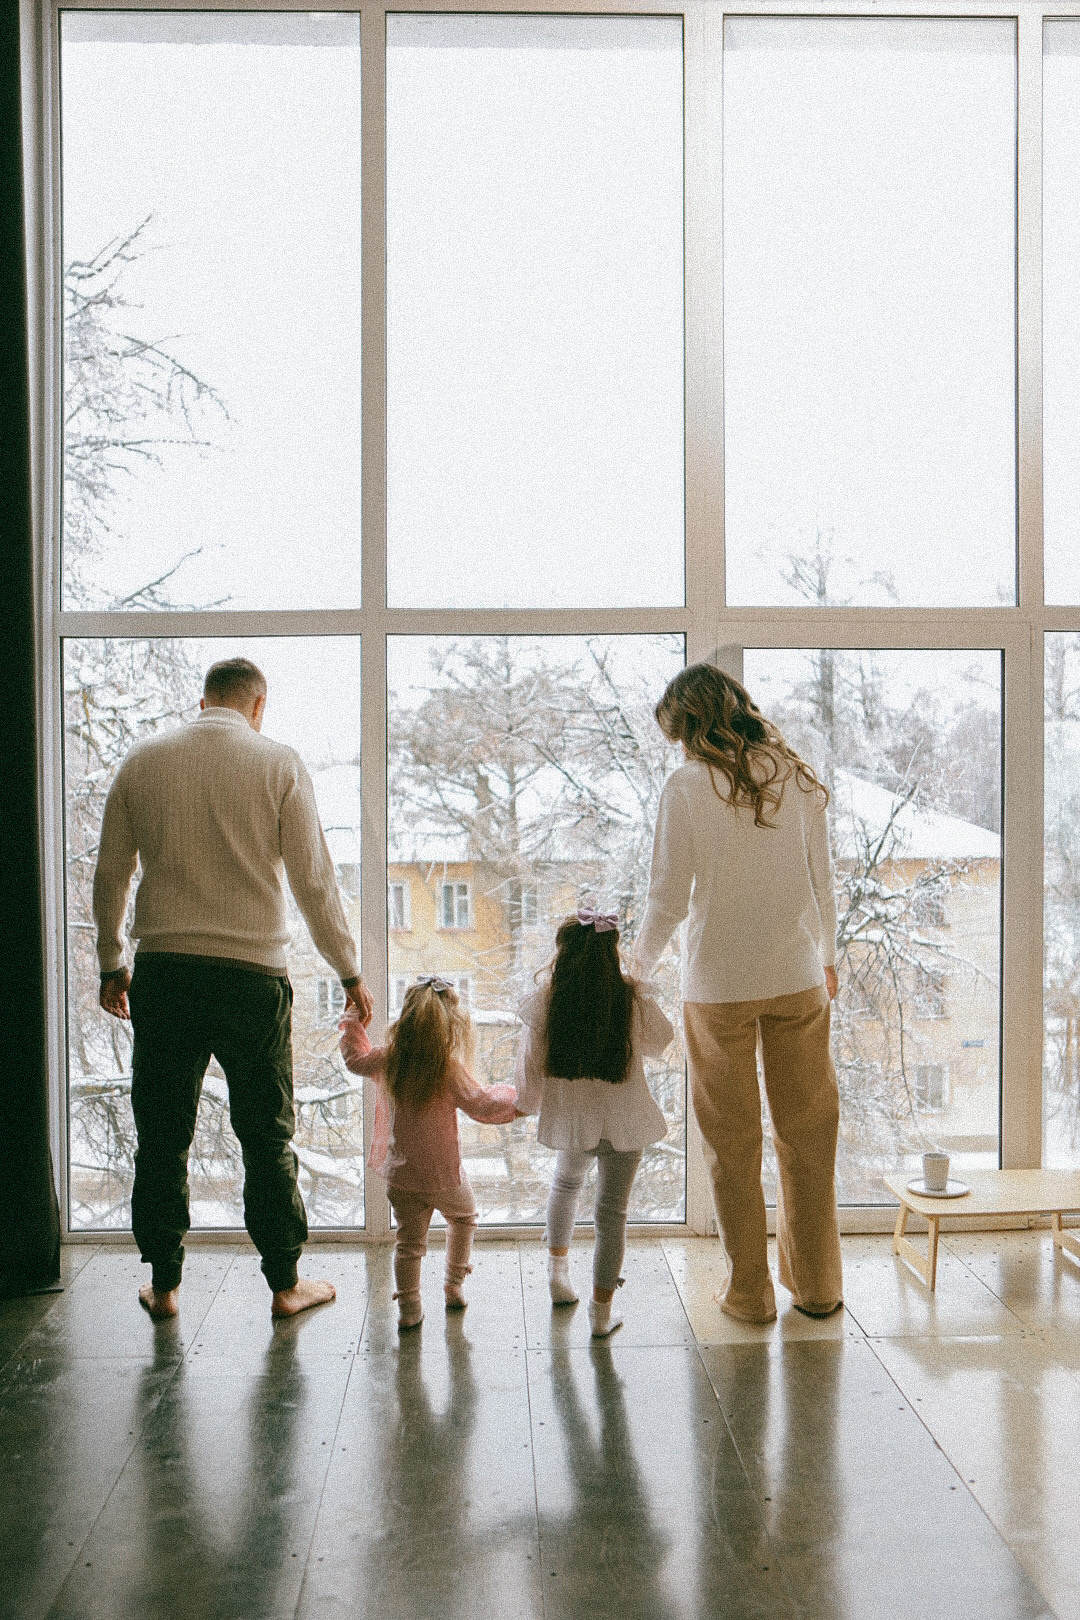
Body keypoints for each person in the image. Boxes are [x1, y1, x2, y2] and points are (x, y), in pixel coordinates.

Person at [93, 657, 374, 1321]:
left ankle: (164, 1286)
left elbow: (112, 874)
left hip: (166, 972)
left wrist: (112, 962)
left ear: (203, 700)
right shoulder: (278, 763)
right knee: (266, 1137)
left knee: (162, 1137)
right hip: (253, 978)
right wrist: (348, 971)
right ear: (258, 705)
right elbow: (313, 881)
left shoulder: (144, 760)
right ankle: (285, 1284)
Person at [632, 662, 843, 1325]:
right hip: (798, 977)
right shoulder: (794, 775)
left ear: (689, 724)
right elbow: (823, 880)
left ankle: (750, 1295)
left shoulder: (686, 787)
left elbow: (666, 896)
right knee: (808, 1139)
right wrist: (828, 956)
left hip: (718, 987)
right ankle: (818, 1289)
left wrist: (636, 967)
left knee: (732, 1145)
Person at [514, 911, 674, 1338]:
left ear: (562, 954)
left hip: (575, 1119)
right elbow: (662, 1040)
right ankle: (601, 1317)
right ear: (612, 951)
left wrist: (527, 1104)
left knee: (565, 1186)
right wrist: (637, 992)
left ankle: (557, 1275)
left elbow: (530, 1064)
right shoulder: (630, 997)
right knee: (612, 1215)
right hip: (626, 1121)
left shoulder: (549, 1000)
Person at [339, 976, 517, 1329]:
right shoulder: (447, 1068)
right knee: (464, 1219)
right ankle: (453, 1286)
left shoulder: (389, 1059)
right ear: (449, 1027)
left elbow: (355, 1059)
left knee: (408, 1243)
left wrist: (351, 1020)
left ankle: (409, 1309)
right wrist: (523, 1099)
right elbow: (482, 1104)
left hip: (401, 1177)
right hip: (444, 1177)